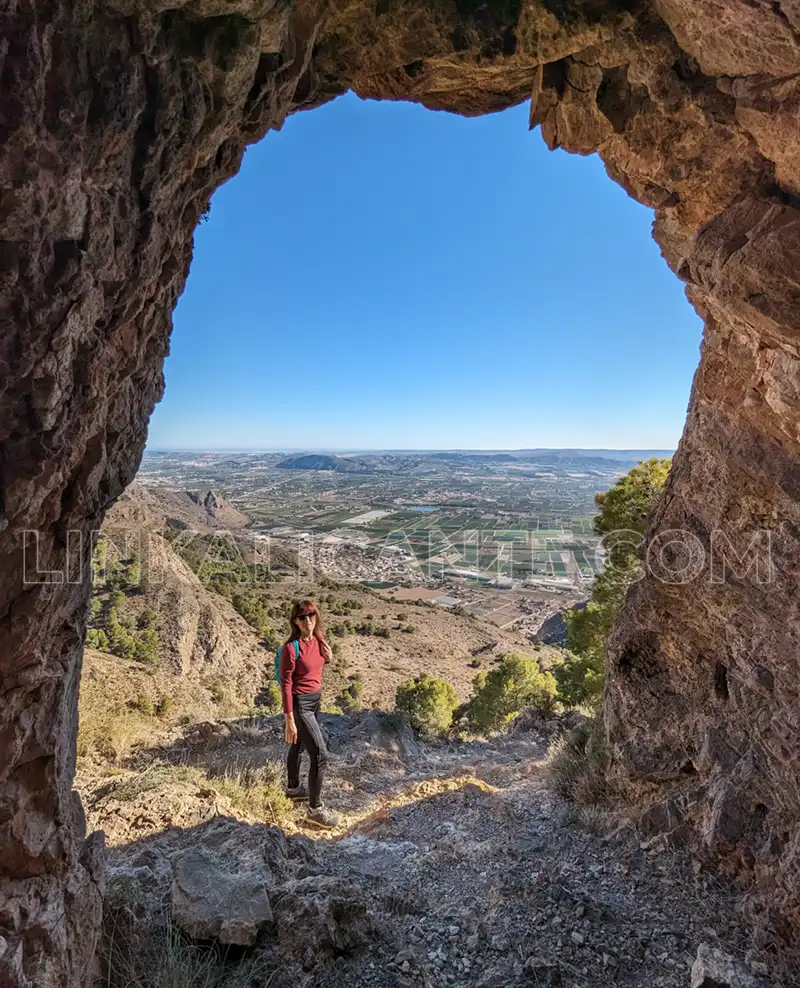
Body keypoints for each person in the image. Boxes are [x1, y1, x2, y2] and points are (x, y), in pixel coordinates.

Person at [279, 598, 342, 829]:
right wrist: (289, 719)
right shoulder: (290, 648)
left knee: (299, 745)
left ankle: (294, 789)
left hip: (315, 700)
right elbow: (285, 684)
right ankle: (315, 810)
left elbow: (321, 662)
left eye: (312, 615)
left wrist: (329, 656)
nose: (308, 621)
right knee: (320, 755)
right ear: (295, 621)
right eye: (302, 617)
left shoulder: (318, 639)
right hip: (300, 704)